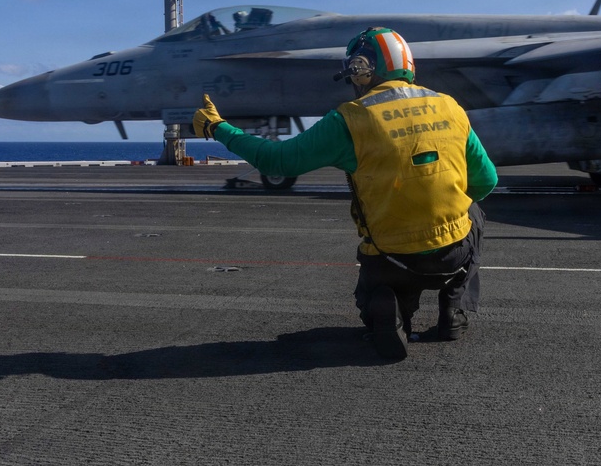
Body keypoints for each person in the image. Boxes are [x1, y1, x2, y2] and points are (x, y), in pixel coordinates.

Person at [193, 27, 498, 360]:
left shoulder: (349, 119)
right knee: (474, 212)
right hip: (453, 255)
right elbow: (486, 181)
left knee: (385, 277)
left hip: (390, 257)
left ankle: (389, 310)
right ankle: (454, 310)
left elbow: (275, 160)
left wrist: (217, 127)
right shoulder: (450, 106)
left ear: (362, 68)